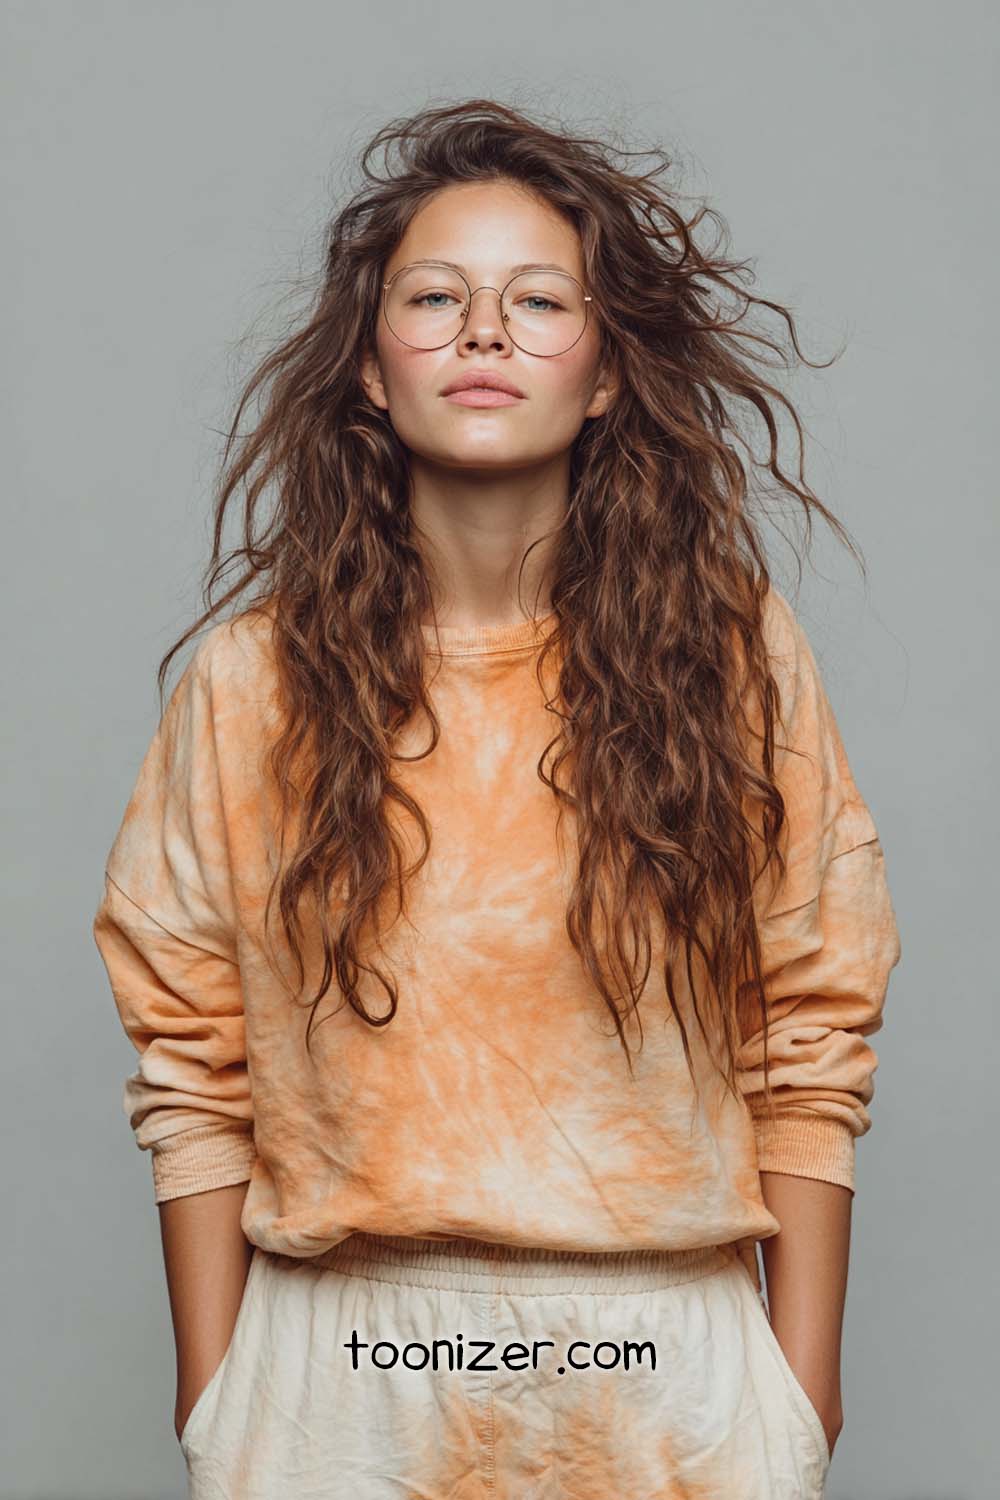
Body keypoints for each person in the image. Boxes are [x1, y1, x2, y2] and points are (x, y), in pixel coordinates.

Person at [91, 97, 902, 1499]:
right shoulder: (249, 684)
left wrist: (800, 1394)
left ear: (601, 375)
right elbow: (190, 1055)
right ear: (366, 365)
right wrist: (216, 1399)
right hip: (343, 1375)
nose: (484, 331)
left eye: (539, 300)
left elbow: (814, 1021)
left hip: (664, 1368)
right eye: (435, 296)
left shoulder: (726, 653)